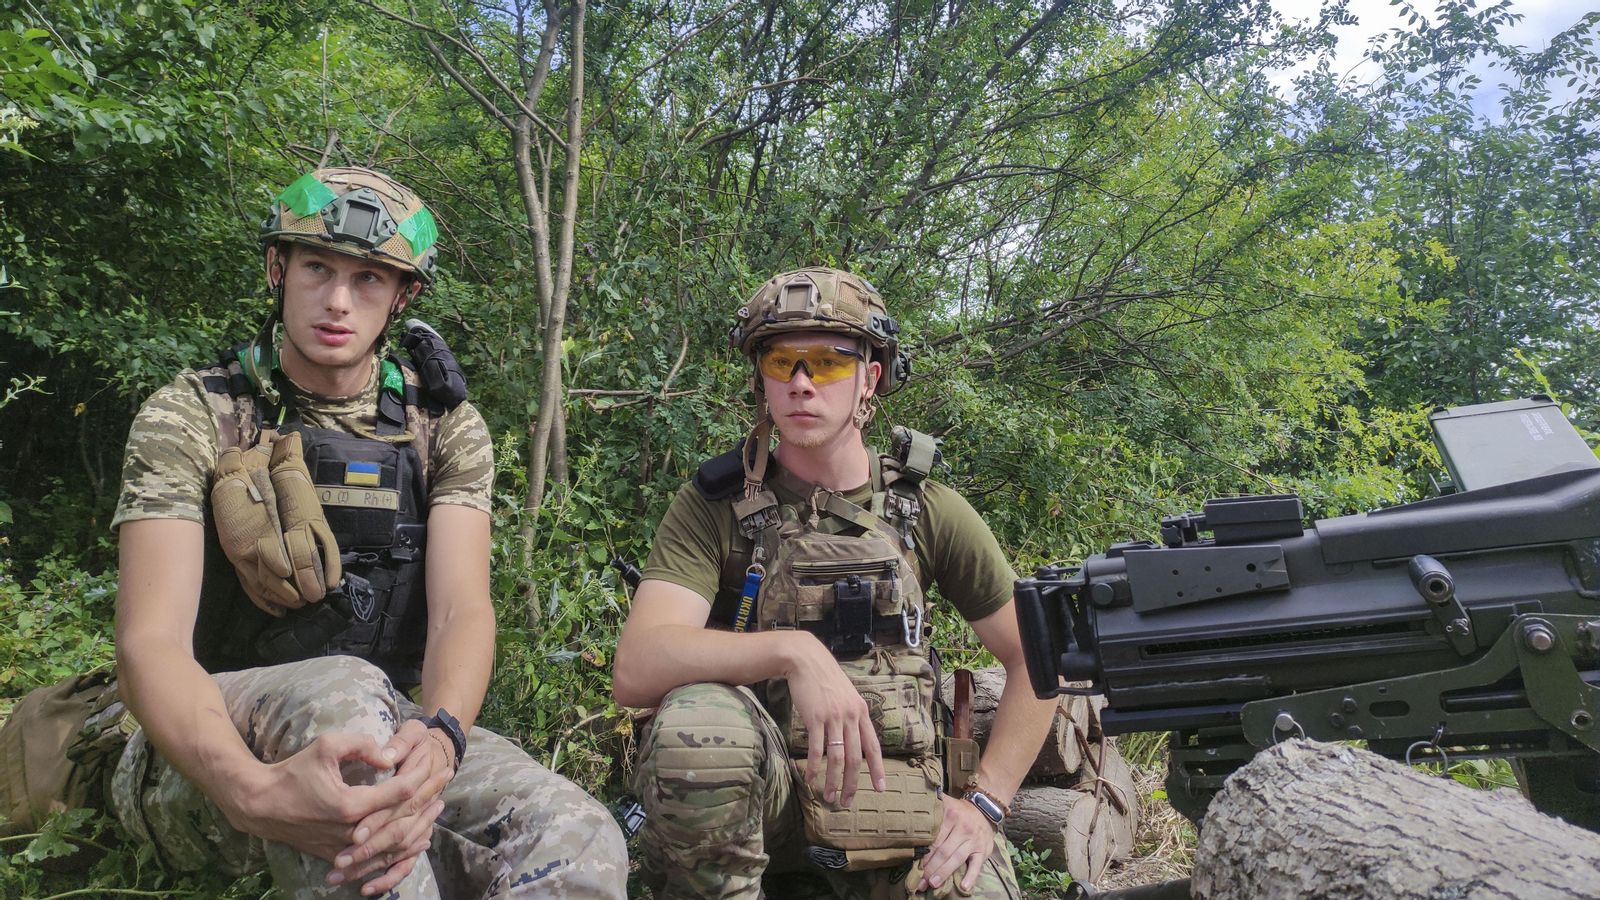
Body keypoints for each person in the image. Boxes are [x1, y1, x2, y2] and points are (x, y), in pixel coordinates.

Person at [108, 166, 626, 897]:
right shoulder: (192, 414)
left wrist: (441, 739)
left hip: (387, 726)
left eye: (371, 280)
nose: (338, 301)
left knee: (581, 839)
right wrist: (250, 792)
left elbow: (460, 611)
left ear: (403, 297)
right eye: (317, 267)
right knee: (343, 696)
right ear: (276, 269)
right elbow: (148, 646)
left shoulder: (441, 428)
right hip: (201, 744)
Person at [613, 268, 1059, 899]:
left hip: (900, 805)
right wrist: (795, 652)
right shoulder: (714, 505)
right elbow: (638, 664)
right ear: (761, 377)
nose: (800, 383)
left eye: (826, 362)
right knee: (697, 731)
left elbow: (1039, 660)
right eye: (782, 360)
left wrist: (986, 802)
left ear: (869, 378)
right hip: (764, 807)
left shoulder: (926, 510)